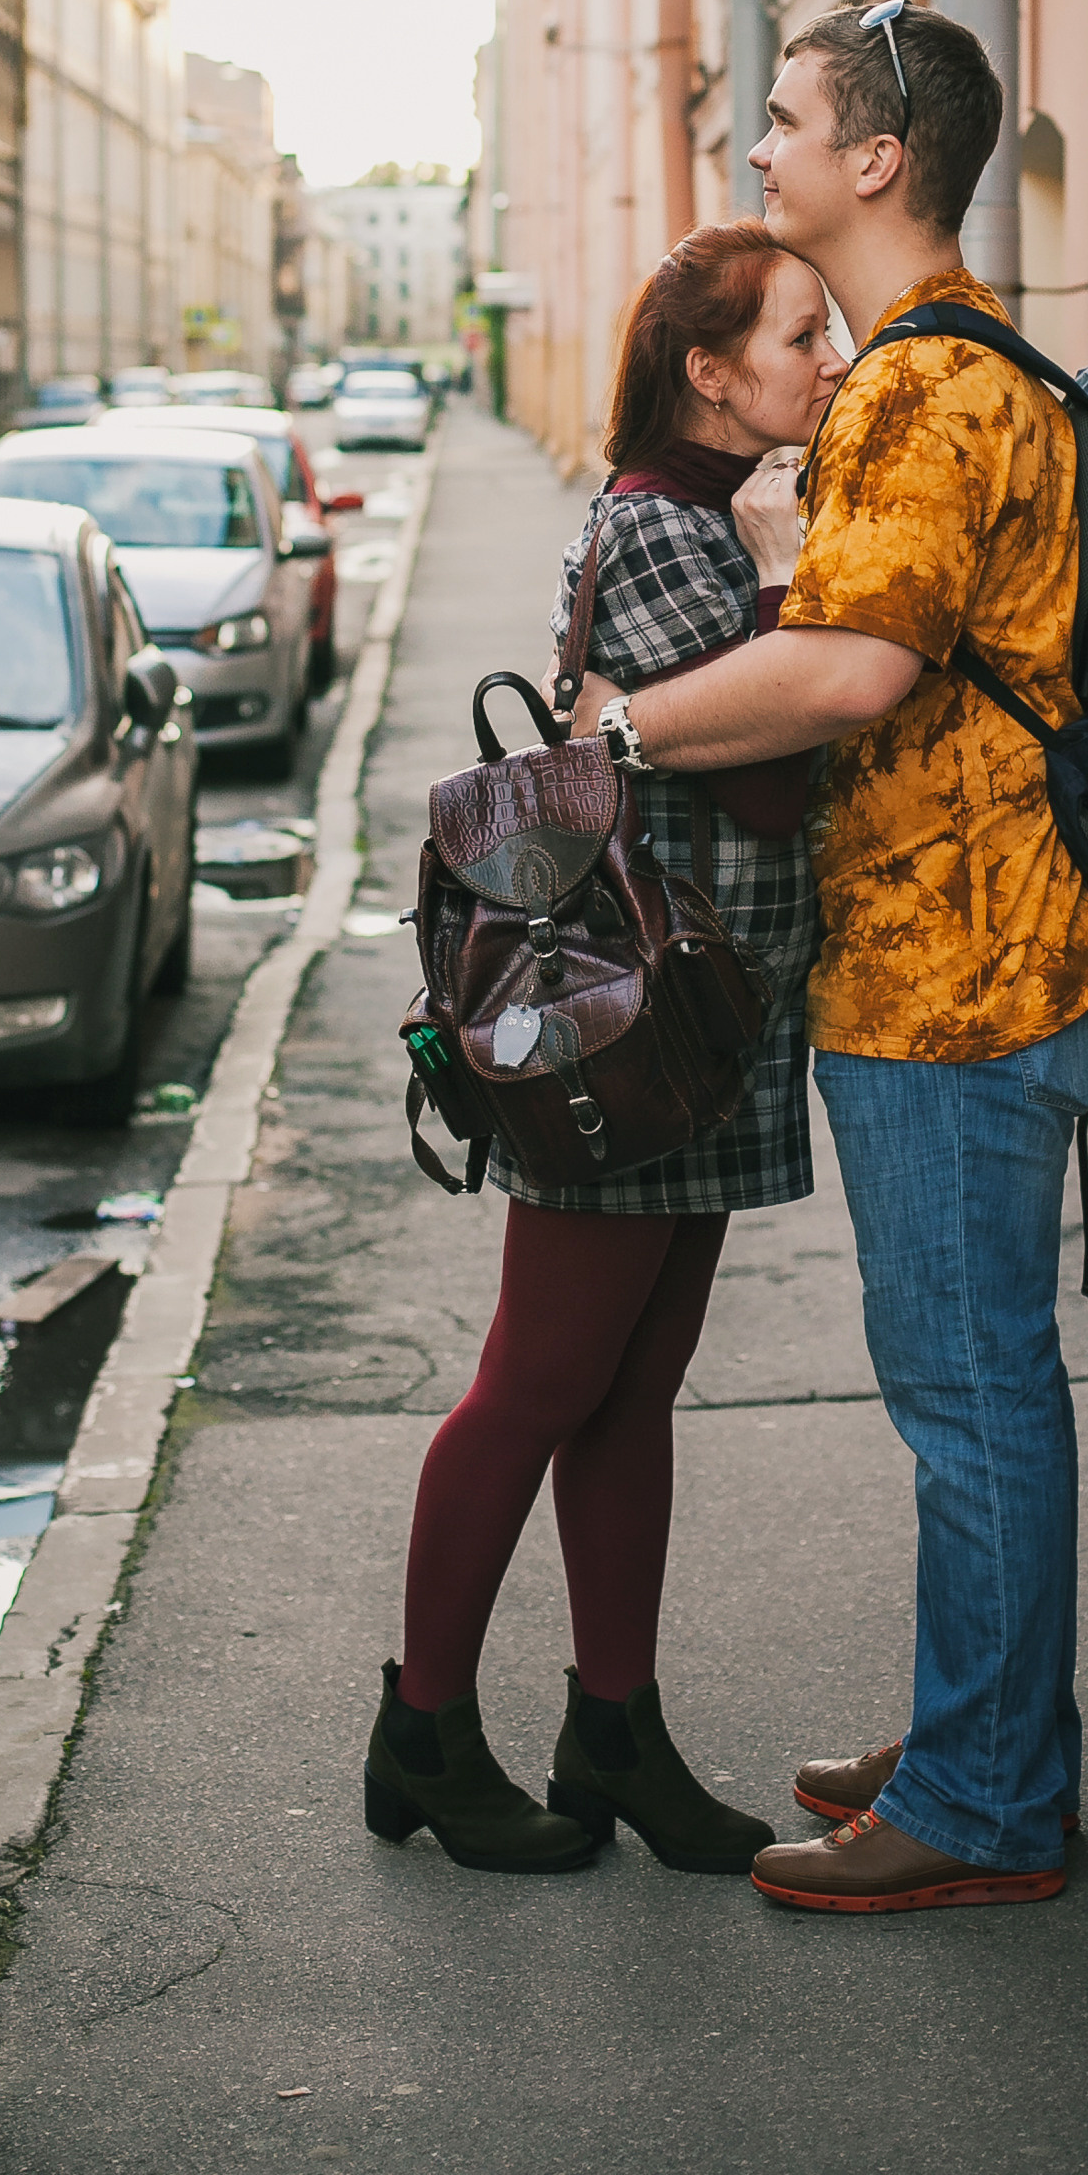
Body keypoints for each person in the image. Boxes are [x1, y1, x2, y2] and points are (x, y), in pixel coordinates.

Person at [568, 4, 1088, 1913]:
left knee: (968, 1390)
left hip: (953, 971)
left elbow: (856, 669)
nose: (757, 153)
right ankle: (988, 1739)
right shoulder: (966, 369)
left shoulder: (915, 389)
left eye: (787, 121)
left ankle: (981, 1812)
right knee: (973, 1383)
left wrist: (613, 737)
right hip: (980, 950)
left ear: (875, 160)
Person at [366, 223, 841, 1877]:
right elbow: (774, 777)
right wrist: (786, 582)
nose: (829, 363)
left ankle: (612, 1731)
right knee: (533, 1387)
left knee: (629, 1395)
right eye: (798, 339)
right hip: (624, 1029)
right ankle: (421, 1728)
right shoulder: (665, 531)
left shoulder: (718, 514)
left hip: (704, 1027)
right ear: (710, 373)